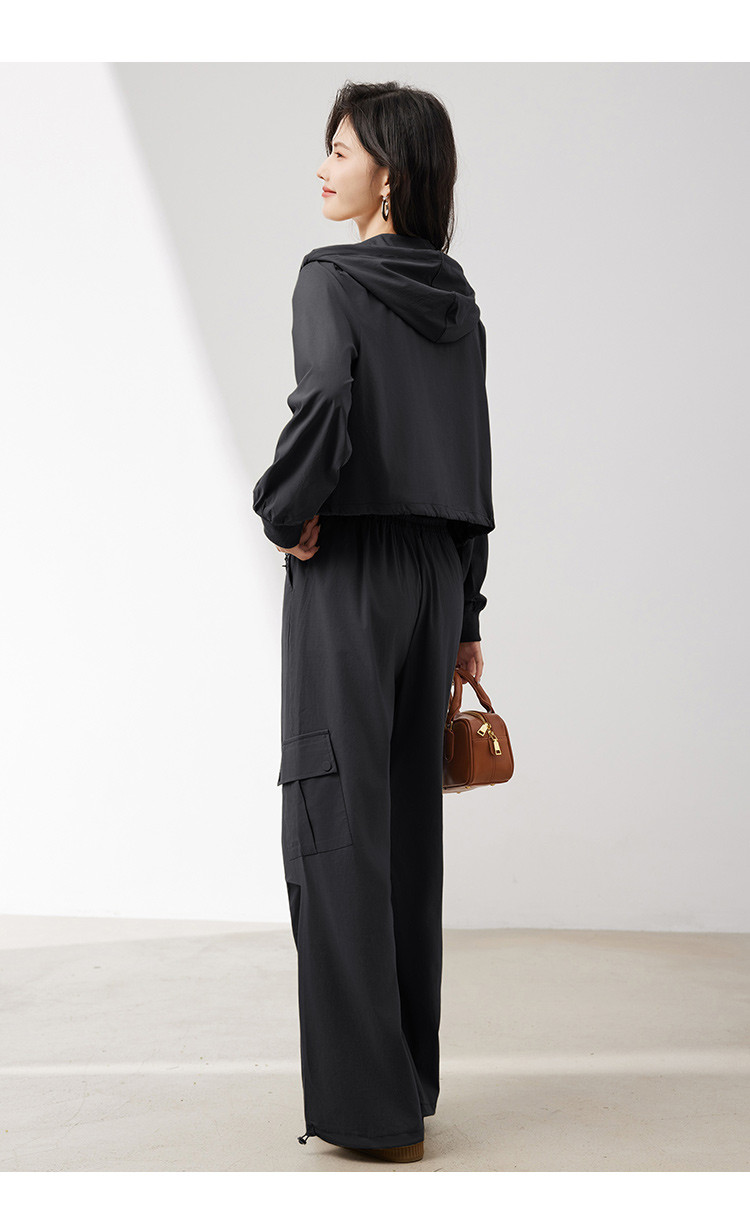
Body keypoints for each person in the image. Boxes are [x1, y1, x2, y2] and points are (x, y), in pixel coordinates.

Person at [252, 80, 494, 1164]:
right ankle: (410, 1081)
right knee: (404, 831)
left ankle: (368, 1111)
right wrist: (467, 609)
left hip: (350, 572)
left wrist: (285, 511)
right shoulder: (457, 299)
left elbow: (324, 405)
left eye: (341, 150)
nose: (324, 167)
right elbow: (473, 456)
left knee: (334, 821)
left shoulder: (332, 277)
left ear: (388, 174)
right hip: (436, 576)